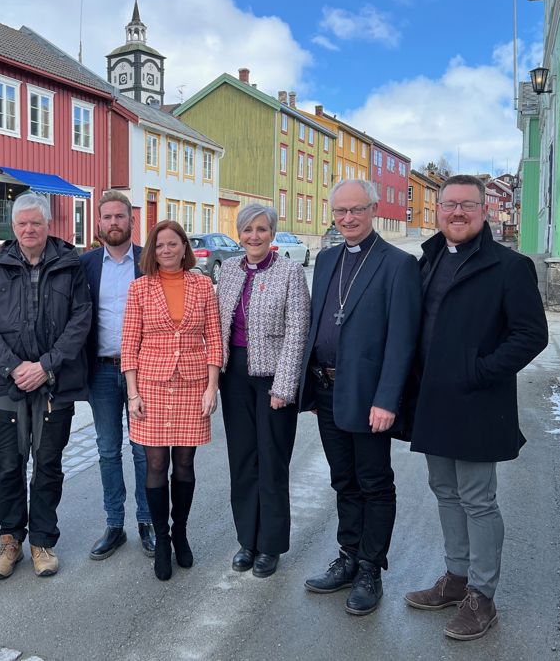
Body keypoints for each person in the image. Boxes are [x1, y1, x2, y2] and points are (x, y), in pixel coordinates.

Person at [402, 175, 548, 641]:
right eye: (449, 205)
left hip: (478, 401)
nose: (457, 212)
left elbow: (530, 335)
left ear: (485, 211)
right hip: (433, 399)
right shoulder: (427, 261)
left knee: (478, 499)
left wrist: (480, 371)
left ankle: (482, 598)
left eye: (468, 205)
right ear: (437, 211)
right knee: (445, 491)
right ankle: (456, 578)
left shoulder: (509, 266)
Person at [297, 179, 421, 615]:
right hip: (327, 389)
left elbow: (403, 340)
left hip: (370, 397)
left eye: (356, 210)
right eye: (340, 211)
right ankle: (348, 556)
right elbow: (319, 325)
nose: (347, 218)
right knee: (343, 479)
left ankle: (371, 566)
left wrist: (388, 399)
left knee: (373, 482)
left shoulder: (398, 264)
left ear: (373, 210)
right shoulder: (327, 258)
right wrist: (309, 388)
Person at [0, 192, 92, 580]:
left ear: (47, 226)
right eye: (22, 223)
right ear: (13, 227)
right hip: (6, 387)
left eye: (35, 223)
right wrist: (13, 367)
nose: (28, 229)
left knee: (47, 465)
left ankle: (42, 541)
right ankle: (10, 542)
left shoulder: (69, 264)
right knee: (8, 465)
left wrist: (45, 366)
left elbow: (80, 320)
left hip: (53, 385)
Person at [121, 220, 222, 581]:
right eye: (160, 244)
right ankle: (161, 539)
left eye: (173, 243)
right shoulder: (139, 289)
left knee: (184, 463)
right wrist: (132, 394)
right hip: (150, 385)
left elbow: (214, 337)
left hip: (193, 385)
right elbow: (129, 345)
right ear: (153, 249)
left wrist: (213, 387)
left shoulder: (204, 285)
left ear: (184, 247)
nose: (166, 250)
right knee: (155, 463)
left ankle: (180, 532)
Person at [215, 204, 309, 578]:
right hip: (234, 376)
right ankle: (246, 541)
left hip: (273, 377)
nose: (254, 236)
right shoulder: (231, 271)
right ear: (239, 234)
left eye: (261, 229)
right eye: (247, 230)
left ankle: (269, 545)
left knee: (271, 462)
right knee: (242, 460)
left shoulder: (290, 272)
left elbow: (298, 330)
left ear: (272, 233)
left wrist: (284, 385)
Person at [80, 191, 155, 560]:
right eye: (107, 217)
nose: (113, 223)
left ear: (131, 221)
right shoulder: (86, 265)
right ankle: (114, 524)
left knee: (144, 451)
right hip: (103, 371)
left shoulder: (150, 261)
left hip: (145, 372)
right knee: (108, 449)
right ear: (99, 223)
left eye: (119, 217)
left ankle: (147, 521)